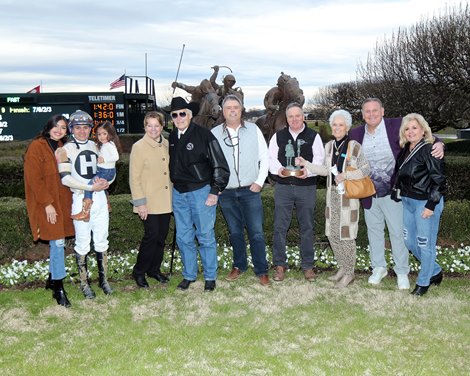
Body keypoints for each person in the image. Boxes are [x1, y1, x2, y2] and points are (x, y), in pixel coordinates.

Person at [349, 98, 444, 289]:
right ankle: (379, 268)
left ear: (383, 111)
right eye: (367, 111)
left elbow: (420, 131)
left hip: (394, 193)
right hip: (369, 194)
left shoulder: (396, 125)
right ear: (362, 114)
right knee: (374, 232)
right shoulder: (356, 133)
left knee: (398, 233)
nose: (371, 114)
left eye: (375, 110)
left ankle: (402, 271)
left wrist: (440, 143)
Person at [296, 110, 371, 288]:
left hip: (349, 199)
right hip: (333, 197)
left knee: (346, 236)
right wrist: (306, 164)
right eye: (335, 124)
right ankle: (343, 268)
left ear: (347, 127)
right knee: (332, 235)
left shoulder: (354, 146)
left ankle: (349, 272)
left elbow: (366, 169)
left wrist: (346, 175)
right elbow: (324, 170)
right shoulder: (329, 146)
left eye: (341, 125)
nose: (337, 128)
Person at [168, 97, 230, 292]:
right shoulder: (171, 137)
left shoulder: (205, 135)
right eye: (175, 115)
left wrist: (215, 190)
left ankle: (210, 276)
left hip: (201, 192)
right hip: (179, 193)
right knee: (184, 237)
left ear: (190, 114)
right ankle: (189, 275)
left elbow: (220, 165)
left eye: (182, 113)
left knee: (205, 236)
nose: (179, 118)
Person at [211, 95, 270, 286]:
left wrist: (260, 182)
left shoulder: (254, 130)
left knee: (256, 232)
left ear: (241, 109)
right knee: (235, 232)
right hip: (226, 192)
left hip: (250, 191)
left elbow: (265, 157)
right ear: (223, 111)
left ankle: (261, 270)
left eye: (236, 107)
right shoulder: (214, 133)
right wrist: (216, 187)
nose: (232, 110)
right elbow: (210, 164)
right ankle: (239, 265)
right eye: (228, 107)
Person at [58, 110, 113, 299]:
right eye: (78, 128)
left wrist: (106, 183)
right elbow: (65, 179)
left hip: (100, 198)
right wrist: (89, 186)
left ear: (91, 128)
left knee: (102, 239)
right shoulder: (65, 149)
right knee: (82, 242)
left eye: (86, 127)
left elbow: (109, 167)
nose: (82, 131)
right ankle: (84, 283)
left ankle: (104, 280)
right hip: (81, 198)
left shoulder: (97, 144)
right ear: (72, 129)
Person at [268, 102, 325, 282]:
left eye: (297, 115)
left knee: (307, 227)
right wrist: (279, 170)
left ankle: (307, 266)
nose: (294, 119)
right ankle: (279, 265)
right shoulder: (278, 136)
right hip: (283, 187)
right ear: (287, 118)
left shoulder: (313, 136)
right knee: (279, 227)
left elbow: (319, 160)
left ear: (303, 116)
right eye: (290, 116)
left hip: (306, 187)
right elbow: (270, 158)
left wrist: (308, 171)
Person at [24, 115, 75, 307]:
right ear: (49, 127)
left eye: (63, 128)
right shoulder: (37, 146)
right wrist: (47, 203)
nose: (59, 130)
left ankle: (51, 278)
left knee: (59, 242)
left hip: (63, 203)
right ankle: (58, 288)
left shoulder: (63, 146)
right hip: (47, 205)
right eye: (57, 126)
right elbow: (34, 179)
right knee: (58, 243)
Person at [393, 113, 446, 296]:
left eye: (414, 127)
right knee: (409, 241)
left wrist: (431, 205)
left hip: (426, 202)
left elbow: (439, 180)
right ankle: (435, 270)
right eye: (407, 128)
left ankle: (424, 282)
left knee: (425, 244)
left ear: (423, 130)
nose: (410, 131)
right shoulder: (406, 149)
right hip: (408, 202)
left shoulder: (429, 149)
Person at [129, 112, 172, 288]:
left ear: (162, 126)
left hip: (166, 201)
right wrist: (141, 203)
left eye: (156, 125)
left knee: (161, 238)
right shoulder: (138, 147)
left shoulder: (167, 144)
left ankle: (154, 270)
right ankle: (139, 271)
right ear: (145, 127)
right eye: (149, 125)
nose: (153, 129)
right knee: (151, 237)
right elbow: (134, 178)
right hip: (148, 203)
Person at [70, 120, 120, 221]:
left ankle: (85, 212)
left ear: (110, 134)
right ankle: (107, 204)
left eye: (104, 134)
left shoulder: (109, 144)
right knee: (100, 184)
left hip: (107, 171)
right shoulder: (103, 145)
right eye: (99, 134)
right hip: (103, 170)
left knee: (89, 186)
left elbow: (116, 157)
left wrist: (104, 159)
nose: (101, 136)